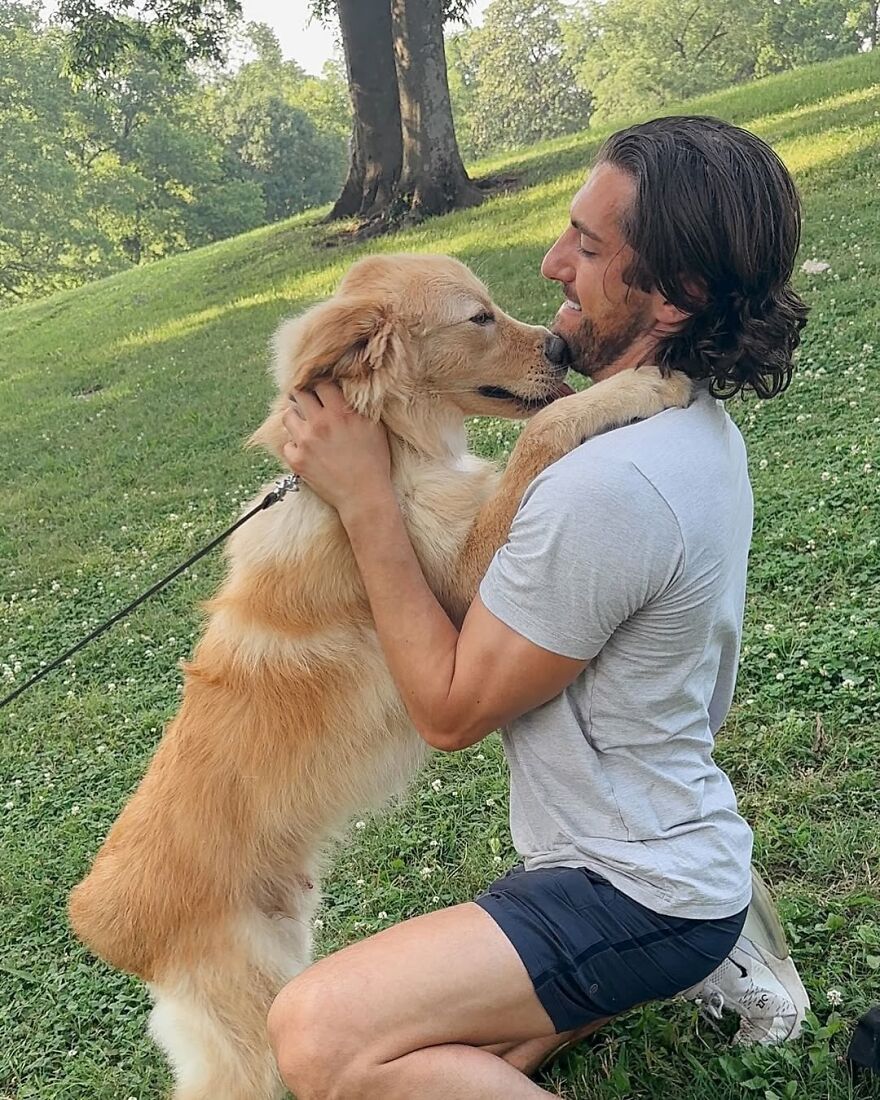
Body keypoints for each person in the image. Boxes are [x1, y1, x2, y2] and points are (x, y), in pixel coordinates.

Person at [267, 116, 810, 1099]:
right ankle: (707, 943)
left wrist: (364, 501)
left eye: (589, 248)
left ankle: (694, 944)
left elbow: (448, 711)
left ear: (677, 292)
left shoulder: (606, 485)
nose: (553, 262)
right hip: (640, 846)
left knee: (314, 1037)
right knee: (446, 1059)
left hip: (634, 888)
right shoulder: (683, 417)